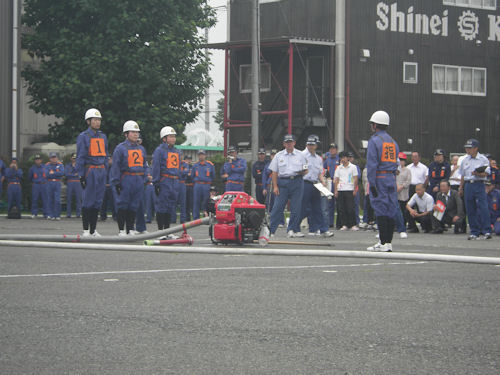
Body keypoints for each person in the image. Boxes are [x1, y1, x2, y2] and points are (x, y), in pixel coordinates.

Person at [365, 110, 399, 252]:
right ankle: (388, 242)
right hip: (391, 177)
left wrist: (371, 183)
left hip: (379, 177)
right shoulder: (392, 142)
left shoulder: (375, 140)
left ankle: (383, 242)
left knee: (380, 208)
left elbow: (372, 164)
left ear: (375, 125)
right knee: (391, 209)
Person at [111, 121, 147, 236]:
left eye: (137, 132)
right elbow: (116, 166)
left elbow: (144, 165)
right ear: (126, 134)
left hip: (138, 179)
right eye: (133, 132)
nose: (135, 134)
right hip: (126, 178)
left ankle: (130, 229)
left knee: (134, 205)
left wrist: (144, 178)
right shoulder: (120, 148)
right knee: (123, 204)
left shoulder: (141, 149)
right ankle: (121, 229)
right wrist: (116, 182)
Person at [76, 108, 108, 236]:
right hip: (90, 170)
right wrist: (81, 175)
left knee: (97, 201)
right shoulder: (83, 136)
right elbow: (81, 156)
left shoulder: (103, 136)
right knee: (88, 200)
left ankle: (93, 230)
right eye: (95, 120)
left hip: (101, 170)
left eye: (99, 120)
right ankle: (85, 230)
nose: (97, 122)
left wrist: (105, 169)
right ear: (88, 121)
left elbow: (105, 155)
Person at [268, 134, 308, 238]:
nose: (289, 144)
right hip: (283, 183)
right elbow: (274, 172)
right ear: (284, 144)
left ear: (294, 143)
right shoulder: (278, 155)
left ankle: (292, 229)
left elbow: (306, 169)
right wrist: (275, 186)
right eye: (287, 142)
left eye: (291, 142)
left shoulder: (301, 155)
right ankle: (271, 230)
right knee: (277, 207)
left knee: (296, 207)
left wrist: (302, 172)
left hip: (297, 181)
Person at [458, 138, 492, 240]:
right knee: (470, 208)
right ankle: (474, 231)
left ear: (476, 148)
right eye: (467, 148)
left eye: (470, 148)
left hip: (479, 183)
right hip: (468, 184)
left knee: (483, 207)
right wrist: (461, 187)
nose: (468, 150)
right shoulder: (465, 160)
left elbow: (486, 173)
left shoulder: (483, 159)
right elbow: (463, 175)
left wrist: (478, 173)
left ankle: (486, 231)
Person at [301, 135, 333, 237]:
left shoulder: (319, 158)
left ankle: (322, 229)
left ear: (316, 145)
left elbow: (319, 172)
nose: (311, 146)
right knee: (303, 208)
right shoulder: (302, 155)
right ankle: (293, 228)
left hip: (315, 184)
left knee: (317, 208)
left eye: (313, 144)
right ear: (306, 145)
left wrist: (323, 182)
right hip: (304, 183)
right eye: (309, 144)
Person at [152, 126, 182, 230]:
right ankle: (161, 231)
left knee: (170, 207)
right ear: (164, 138)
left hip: (174, 181)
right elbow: (156, 167)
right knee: (162, 206)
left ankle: (167, 230)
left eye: (174, 136)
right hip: (165, 180)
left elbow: (178, 167)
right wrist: (156, 183)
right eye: (171, 136)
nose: (173, 139)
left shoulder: (177, 151)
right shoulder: (159, 151)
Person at [334, 151, 359, 231]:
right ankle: (344, 224)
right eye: (341, 158)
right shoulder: (339, 168)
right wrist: (336, 190)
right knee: (341, 208)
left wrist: (355, 189)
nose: (343, 159)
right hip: (341, 189)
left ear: (347, 158)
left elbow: (355, 179)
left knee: (350, 208)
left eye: (344, 157)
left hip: (350, 189)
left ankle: (353, 224)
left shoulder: (353, 167)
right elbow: (336, 179)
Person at [263, 149, 285, 227]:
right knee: (269, 204)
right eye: (272, 155)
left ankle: (281, 221)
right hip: (269, 186)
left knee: (279, 203)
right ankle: (271, 220)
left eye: (275, 155)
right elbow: (265, 176)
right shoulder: (267, 165)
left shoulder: (281, 163)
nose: (274, 156)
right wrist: (264, 187)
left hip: (278, 185)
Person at [191, 149, 215, 219]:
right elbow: (192, 176)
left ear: (205, 155)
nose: (201, 156)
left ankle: (206, 218)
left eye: (202, 155)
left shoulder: (210, 165)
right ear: (198, 156)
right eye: (199, 155)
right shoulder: (195, 165)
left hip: (206, 185)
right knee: (196, 201)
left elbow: (213, 176)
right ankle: (196, 218)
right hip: (197, 185)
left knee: (206, 201)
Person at [45, 152, 65, 220]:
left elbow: (62, 173)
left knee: (57, 200)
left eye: (55, 157)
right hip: (49, 183)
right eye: (52, 158)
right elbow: (47, 174)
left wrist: (53, 173)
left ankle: (57, 215)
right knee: (49, 199)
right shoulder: (47, 165)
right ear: (50, 158)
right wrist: (56, 173)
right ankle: (50, 214)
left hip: (57, 182)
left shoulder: (60, 165)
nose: (53, 159)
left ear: (57, 158)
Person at [324, 143, 339, 227]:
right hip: (330, 182)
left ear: (336, 150)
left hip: (337, 182)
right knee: (329, 203)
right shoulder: (327, 160)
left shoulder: (339, 159)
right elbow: (324, 169)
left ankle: (339, 222)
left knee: (339, 203)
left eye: (333, 148)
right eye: (330, 148)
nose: (332, 150)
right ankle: (330, 222)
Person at [396, 152, 411, 237]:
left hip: (404, 193)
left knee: (403, 210)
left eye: (402, 160)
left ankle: (403, 225)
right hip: (396, 192)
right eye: (399, 160)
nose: (401, 162)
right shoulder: (395, 170)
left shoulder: (407, 170)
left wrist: (402, 186)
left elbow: (408, 181)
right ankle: (397, 226)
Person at [29, 154, 47, 218]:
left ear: (41, 160)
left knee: (45, 199)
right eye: (36, 160)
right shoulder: (32, 168)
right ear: (35, 161)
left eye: (39, 159)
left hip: (44, 184)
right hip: (36, 185)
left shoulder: (45, 167)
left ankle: (46, 214)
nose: (37, 161)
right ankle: (34, 213)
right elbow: (30, 177)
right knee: (34, 199)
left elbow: (47, 176)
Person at [65, 153, 82, 218]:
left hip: (77, 182)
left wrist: (73, 172)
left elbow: (80, 173)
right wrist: (74, 174)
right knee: (69, 199)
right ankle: (68, 214)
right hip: (70, 182)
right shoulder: (67, 165)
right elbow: (66, 174)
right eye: (73, 158)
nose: (74, 160)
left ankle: (78, 213)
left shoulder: (79, 165)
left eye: (75, 158)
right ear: (70, 158)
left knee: (78, 199)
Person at [184, 155, 194, 221]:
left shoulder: (192, 167)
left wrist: (188, 175)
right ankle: (184, 217)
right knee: (184, 202)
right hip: (185, 185)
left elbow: (192, 176)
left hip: (191, 186)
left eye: (190, 159)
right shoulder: (182, 166)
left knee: (190, 202)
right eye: (187, 159)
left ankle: (189, 218)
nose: (189, 161)